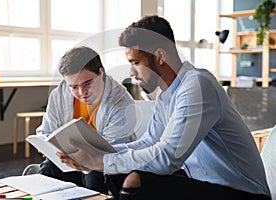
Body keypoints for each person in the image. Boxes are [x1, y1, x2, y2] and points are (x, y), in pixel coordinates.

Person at [56, 15, 271, 200]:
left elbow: (167, 157)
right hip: (204, 183)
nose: (131, 72)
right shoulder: (167, 94)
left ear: (159, 56)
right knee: (117, 173)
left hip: (243, 193)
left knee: (137, 182)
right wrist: (99, 152)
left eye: (135, 62)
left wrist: (102, 160)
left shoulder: (198, 85)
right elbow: (151, 142)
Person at [36, 46, 136, 194]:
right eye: (74, 87)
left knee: (94, 176)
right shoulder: (59, 95)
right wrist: (45, 145)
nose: (82, 93)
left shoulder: (121, 102)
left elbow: (113, 150)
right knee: (48, 169)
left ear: (101, 73)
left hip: (101, 165)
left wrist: (88, 158)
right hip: (68, 162)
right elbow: (46, 130)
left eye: (87, 83)